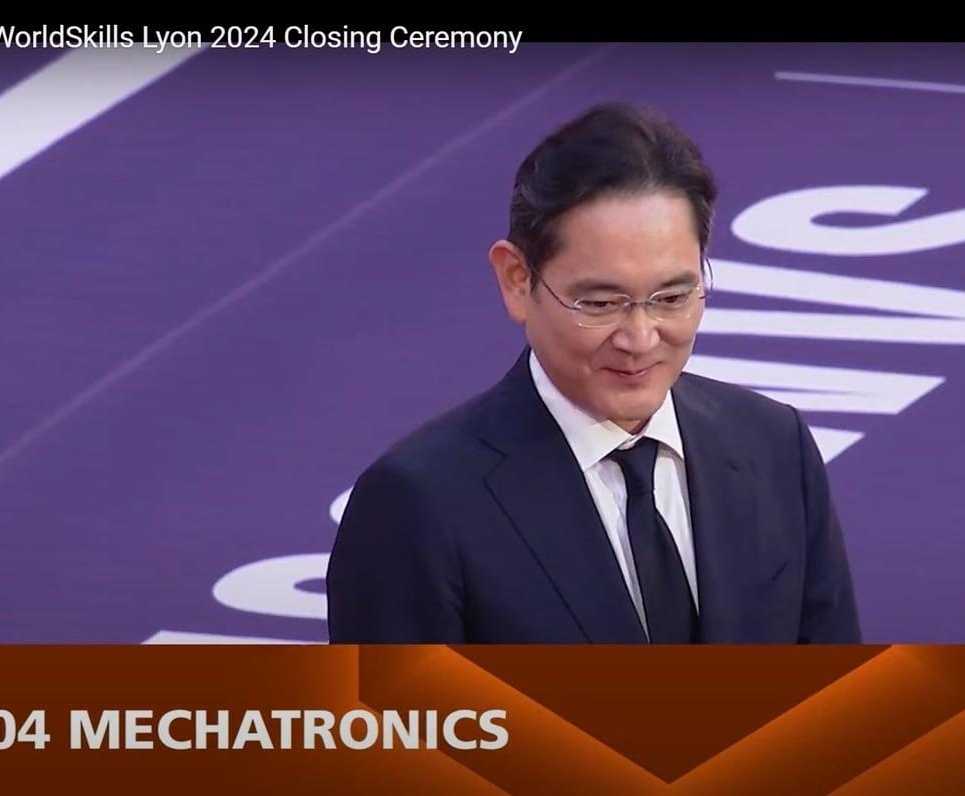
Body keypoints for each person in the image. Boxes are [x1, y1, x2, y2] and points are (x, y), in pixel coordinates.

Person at [326, 102, 861, 643]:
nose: (640, 339)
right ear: (517, 280)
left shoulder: (773, 445)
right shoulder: (418, 506)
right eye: (601, 304)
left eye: (672, 298)